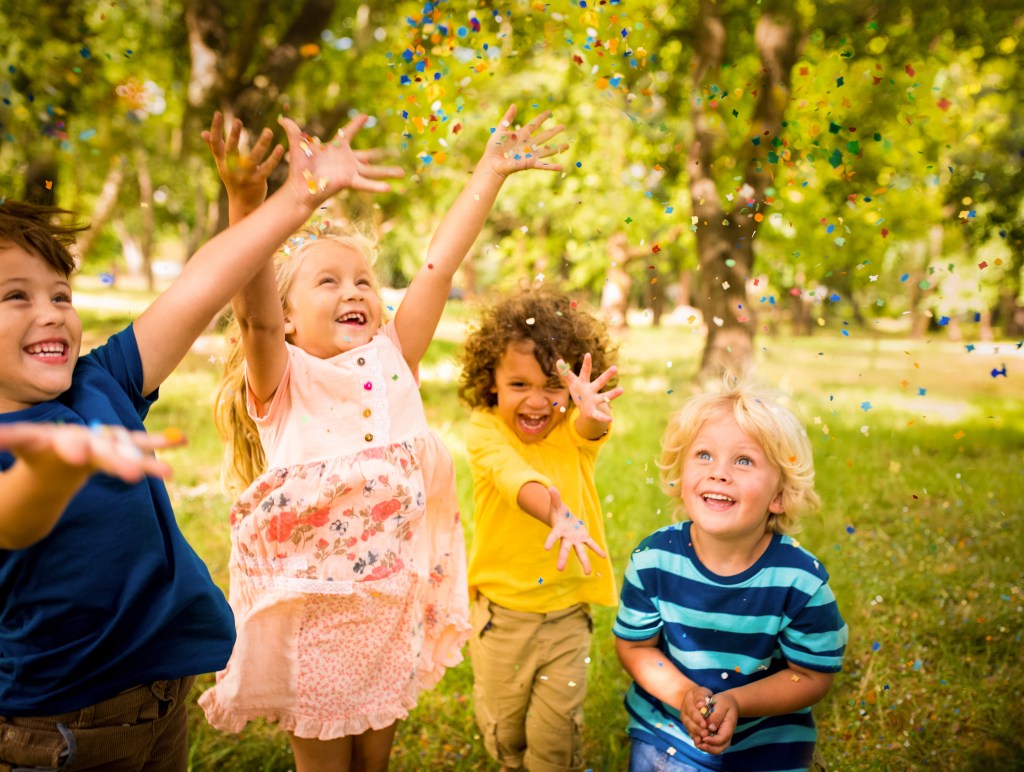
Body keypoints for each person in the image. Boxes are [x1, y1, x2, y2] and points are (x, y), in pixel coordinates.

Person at [0, 115, 382, 771]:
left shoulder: (102, 382)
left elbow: (203, 284)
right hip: (57, 731)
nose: (52, 311)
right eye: (15, 296)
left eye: (60, 293)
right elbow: (15, 517)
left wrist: (296, 197)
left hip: (157, 703)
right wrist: (54, 469)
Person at [196, 105, 567, 771]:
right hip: (311, 624)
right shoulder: (283, 381)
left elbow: (436, 269)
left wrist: (490, 171)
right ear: (286, 317)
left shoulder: (393, 354)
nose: (354, 290)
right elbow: (248, 312)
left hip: (389, 612)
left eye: (363, 279)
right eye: (329, 281)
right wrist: (247, 203)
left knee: (374, 761)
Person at [614, 378, 848, 771]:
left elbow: (811, 676)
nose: (719, 472)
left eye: (743, 460)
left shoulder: (799, 582)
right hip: (667, 732)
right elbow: (635, 647)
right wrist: (685, 694)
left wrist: (739, 702)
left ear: (778, 496)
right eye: (704, 455)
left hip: (769, 745)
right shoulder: (653, 560)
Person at [457, 287, 624, 772]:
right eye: (518, 385)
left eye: (553, 387)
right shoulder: (486, 431)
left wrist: (590, 413)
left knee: (553, 745)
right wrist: (555, 513)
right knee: (506, 736)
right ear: (491, 381)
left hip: (567, 620)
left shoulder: (575, 431)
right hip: (501, 620)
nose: (535, 402)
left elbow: (590, 430)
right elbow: (514, 476)